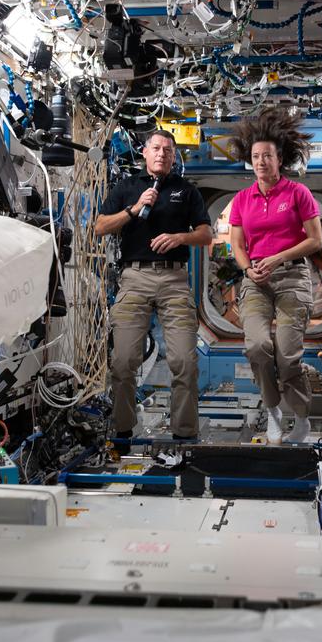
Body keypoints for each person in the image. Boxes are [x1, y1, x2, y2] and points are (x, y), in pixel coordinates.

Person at [96, 130, 212, 439]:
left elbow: (206, 234)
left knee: (184, 361)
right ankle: (122, 429)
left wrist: (180, 237)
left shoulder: (186, 191)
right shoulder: (126, 187)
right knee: (122, 362)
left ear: (174, 157)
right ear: (145, 153)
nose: (162, 154)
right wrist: (133, 209)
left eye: (168, 150)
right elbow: (99, 226)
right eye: (156, 148)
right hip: (135, 278)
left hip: (174, 279)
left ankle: (184, 434)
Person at [227, 109, 322, 444]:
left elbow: (316, 240)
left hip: (291, 277)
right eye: (256, 157)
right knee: (256, 346)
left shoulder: (298, 194)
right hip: (256, 280)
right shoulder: (241, 199)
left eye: (267, 156)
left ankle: (300, 415)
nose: (261, 162)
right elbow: (236, 244)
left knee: (286, 351)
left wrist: (277, 257)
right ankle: (273, 411)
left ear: (279, 158)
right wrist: (247, 268)